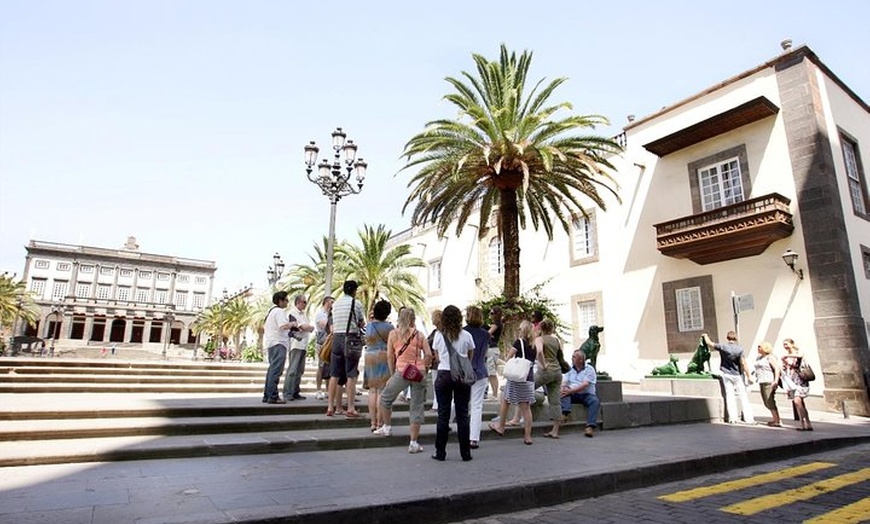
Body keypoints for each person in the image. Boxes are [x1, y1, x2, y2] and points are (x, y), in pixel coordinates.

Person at [377, 308, 433, 454]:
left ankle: (387, 427)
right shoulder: (420, 335)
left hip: (402, 371)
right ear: (413, 319)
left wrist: (392, 374)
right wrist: (424, 369)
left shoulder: (393, 334)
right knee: (416, 406)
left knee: (385, 398)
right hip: (418, 372)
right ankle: (413, 442)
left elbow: (390, 356)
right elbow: (428, 355)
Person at [431, 304, 475, 462]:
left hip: (443, 374)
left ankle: (440, 452)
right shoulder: (467, 335)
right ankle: (466, 453)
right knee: (463, 415)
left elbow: (436, 356)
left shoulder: (438, 335)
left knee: (443, 414)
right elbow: (470, 355)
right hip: (461, 377)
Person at [489, 320, 535, 445]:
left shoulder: (519, 342)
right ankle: (528, 436)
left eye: (520, 329)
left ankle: (501, 426)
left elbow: (509, 357)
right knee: (526, 407)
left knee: (506, 400)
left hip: (517, 376)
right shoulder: (534, 345)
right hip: (528, 376)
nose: (518, 331)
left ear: (522, 331)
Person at [327, 280, 365, 418]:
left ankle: (331, 407)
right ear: (354, 291)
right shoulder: (356, 303)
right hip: (351, 339)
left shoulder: (335, 303)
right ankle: (350, 407)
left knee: (334, 374)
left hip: (337, 338)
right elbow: (361, 322)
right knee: (351, 374)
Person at [703, 332, 755, 425]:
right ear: (736, 338)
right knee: (743, 396)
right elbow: (743, 363)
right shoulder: (739, 349)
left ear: (727, 338)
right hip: (737, 374)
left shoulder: (723, 347)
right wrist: (749, 376)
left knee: (730, 396)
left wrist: (705, 336)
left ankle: (733, 418)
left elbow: (710, 343)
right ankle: (749, 419)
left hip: (726, 374)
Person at [262, 291, 297, 404]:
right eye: (286, 300)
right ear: (280, 301)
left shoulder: (271, 312)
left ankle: (267, 395)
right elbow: (282, 326)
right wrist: (293, 324)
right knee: (276, 370)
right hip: (279, 343)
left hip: (272, 343)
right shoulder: (279, 312)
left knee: (272, 369)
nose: (287, 302)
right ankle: (273, 396)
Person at [463, 306, 490, 449]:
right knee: (477, 405)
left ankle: (445, 425)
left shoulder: (463, 332)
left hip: (465, 371)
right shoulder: (485, 334)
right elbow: (484, 353)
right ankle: (474, 438)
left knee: (459, 401)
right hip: (480, 370)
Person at [365, 300, 394, 432]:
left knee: (372, 391)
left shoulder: (369, 326)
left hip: (370, 356)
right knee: (382, 391)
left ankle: (372, 422)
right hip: (383, 356)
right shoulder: (389, 328)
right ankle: (380, 421)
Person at [535, 319, 565, 439]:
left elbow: (539, 351)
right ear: (552, 328)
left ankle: (516, 418)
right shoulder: (556, 340)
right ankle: (555, 431)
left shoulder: (539, 339)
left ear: (541, 328)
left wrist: (543, 364)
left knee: (525, 388)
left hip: (545, 371)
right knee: (555, 401)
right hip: (557, 371)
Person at [560, 350, 600, 437]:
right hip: (573, 393)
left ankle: (590, 426)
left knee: (594, 401)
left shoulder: (589, 369)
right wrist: (563, 387)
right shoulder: (570, 368)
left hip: (586, 394)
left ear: (581, 360)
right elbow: (564, 381)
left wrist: (570, 391)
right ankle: (565, 413)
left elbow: (585, 384)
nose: (572, 358)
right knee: (563, 393)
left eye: (574, 357)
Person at [283, 295, 315, 401]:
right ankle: (288, 392)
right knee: (292, 369)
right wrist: (308, 327)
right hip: (296, 344)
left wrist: (308, 328)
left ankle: (295, 391)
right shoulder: (293, 313)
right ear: (298, 302)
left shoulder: (304, 315)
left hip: (303, 345)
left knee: (300, 370)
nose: (305, 304)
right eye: (304, 302)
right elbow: (303, 327)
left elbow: (309, 328)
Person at [781, 338, 813, 431]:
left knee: (797, 402)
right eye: (784, 345)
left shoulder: (798, 352)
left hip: (800, 380)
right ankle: (808, 423)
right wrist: (785, 363)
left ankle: (803, 424)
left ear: (792, 344)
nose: (785, 346)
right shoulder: (787, 357)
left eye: (786, 344)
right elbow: (787, 367)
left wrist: (786, 356)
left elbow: (799, 356)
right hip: (791, 381)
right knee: (801, 403)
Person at [755, 342, 782, 427]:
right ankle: (775, 419)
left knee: (769, 400)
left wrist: (776, 380)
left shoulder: (770, 357)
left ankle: (777, 420)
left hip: (769, 380)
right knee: (766, 401)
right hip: (761, 380)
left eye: (760, 347)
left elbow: (777, 368)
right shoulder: (759, 358)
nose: (758, 348)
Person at [313, 296, 334, 400]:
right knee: (321, 366)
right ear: (326, 302)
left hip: (330, 343)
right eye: (331, 302)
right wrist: (331, 320)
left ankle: (328, 390)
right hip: (322, 343)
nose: (333, 304)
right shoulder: (320, 314)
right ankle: (318, 389)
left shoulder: (331, 314)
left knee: (328, 367)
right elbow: (324, 325)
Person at [485, 307, 503, 400]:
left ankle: (495, 394)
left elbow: (488, 334)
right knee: (490, 372)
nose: (490, 315)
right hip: (491, 349)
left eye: (492, 313)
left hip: (492, 349)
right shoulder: (494, 324)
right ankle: (493, 393)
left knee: (492, 373)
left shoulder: (496, 324)